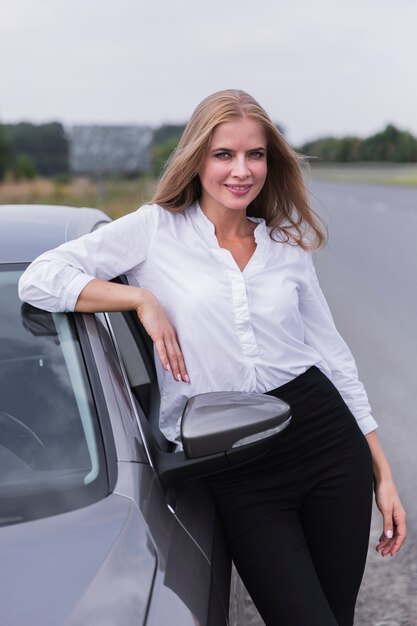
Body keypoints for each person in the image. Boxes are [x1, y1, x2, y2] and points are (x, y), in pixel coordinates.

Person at [19, 89, 406, 626]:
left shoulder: (286, 247)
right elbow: (40, 279)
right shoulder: (154, 231)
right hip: (232, 458)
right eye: (224, 154)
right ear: (197, 157)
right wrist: (138, 298)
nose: (241, 170)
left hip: (324, 441)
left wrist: (381, 473)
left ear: (271, 161)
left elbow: (334, 360)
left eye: (256, 154)